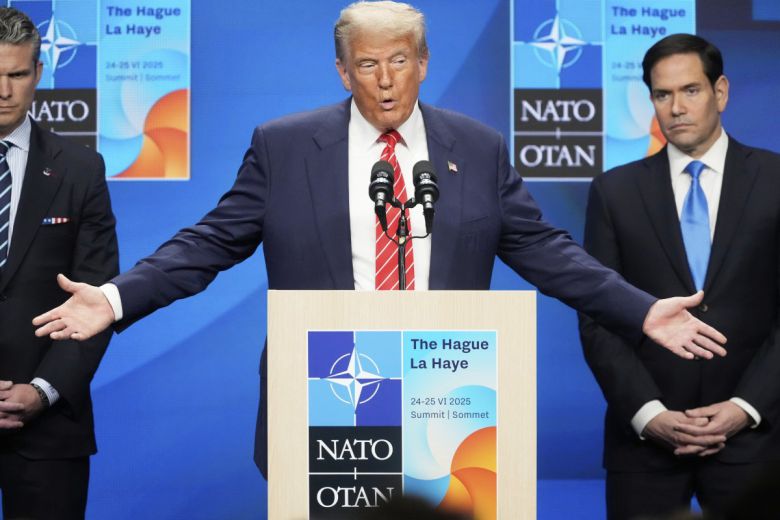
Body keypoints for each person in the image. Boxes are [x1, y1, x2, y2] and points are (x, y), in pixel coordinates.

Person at [32, 2, 725, 479]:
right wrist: (115, 300)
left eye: (399, 60)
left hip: (446, 395)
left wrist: (640, 309)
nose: (386, 80)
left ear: (424, 61)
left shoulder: (476, 148)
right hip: (325, 386)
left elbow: (547, 251)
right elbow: (209, 242)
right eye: (367, 64)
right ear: (342, 71)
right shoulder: (285, 147)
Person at [578, 33, 780, 519]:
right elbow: (599, 318)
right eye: (662, 94)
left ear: (720, 92)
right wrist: (649, 414)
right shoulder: (614, 191)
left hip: (757, 440)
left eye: (691, 90)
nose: (676, 108)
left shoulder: (775, 180)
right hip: (645, 443)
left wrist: (745, 407)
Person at [0, 7, 119, 520]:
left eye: (16, 74)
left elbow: (95, 296)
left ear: (39, 72)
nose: (3, 91)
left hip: (48, 429)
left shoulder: (80, 169)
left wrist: (42, 392)